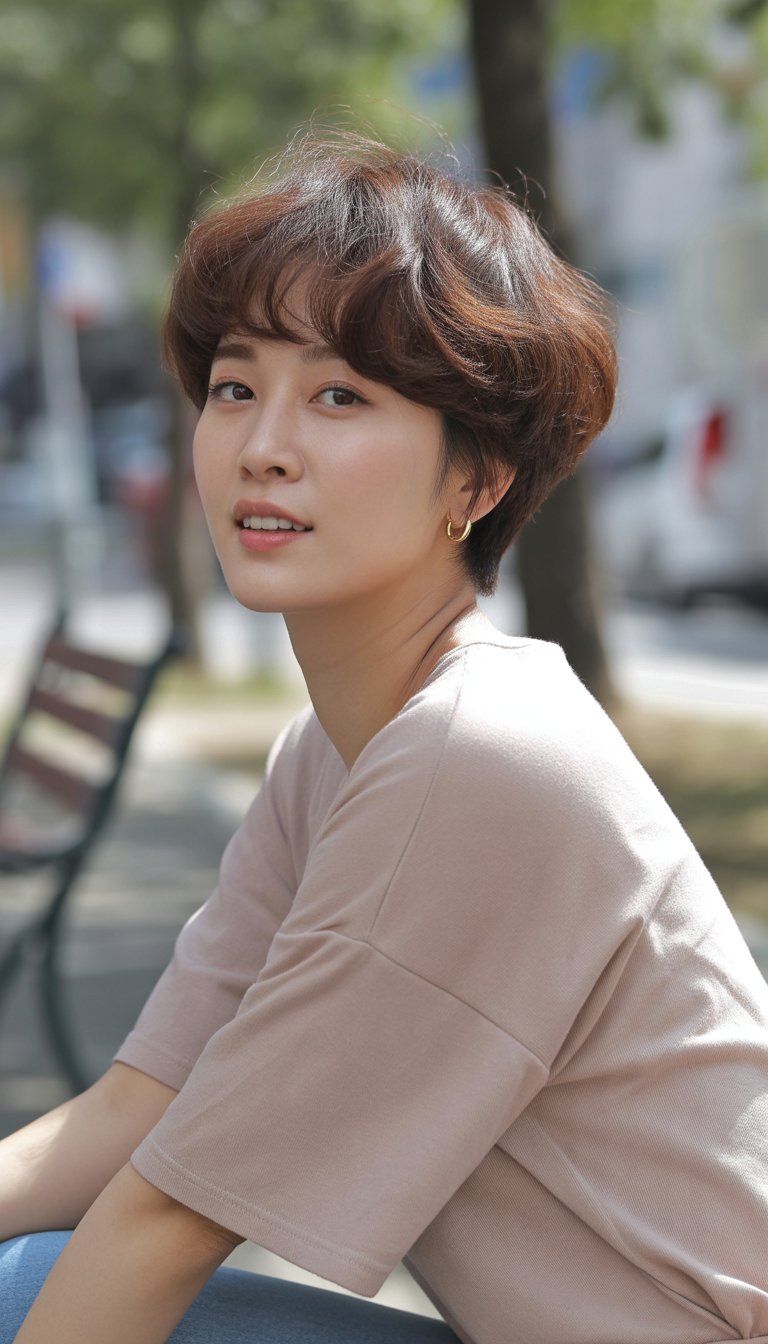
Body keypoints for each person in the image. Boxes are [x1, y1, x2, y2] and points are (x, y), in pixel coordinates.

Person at [2, 131, 767, 1344]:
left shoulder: (482, 758)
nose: (264, 444)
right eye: (237, 387)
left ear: (479, 481)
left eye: (341, 396)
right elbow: (139, 1108)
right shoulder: (340, 750)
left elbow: (170, 1219)